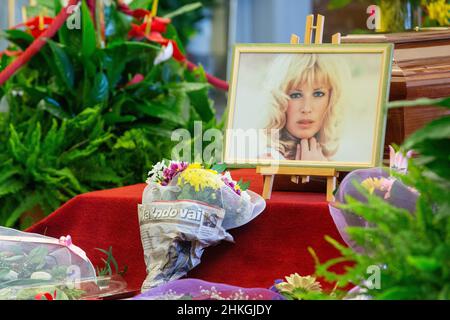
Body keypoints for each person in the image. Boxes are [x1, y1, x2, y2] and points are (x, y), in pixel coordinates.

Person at [261, 53, 350, 161]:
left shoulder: (339, 158)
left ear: (331, 99)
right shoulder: (266, 159)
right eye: (295, 95)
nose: (306, 108)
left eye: (318, 94)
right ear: (278, 100)